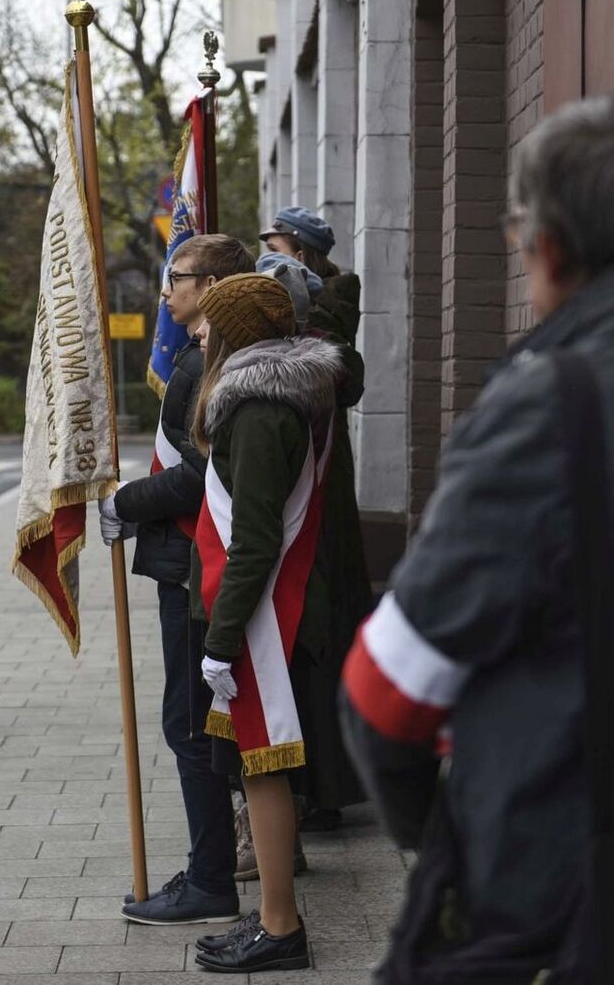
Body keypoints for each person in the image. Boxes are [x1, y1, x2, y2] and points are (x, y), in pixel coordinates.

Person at [340, 96, 614, 980]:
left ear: (550, 247)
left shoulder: (550, 408)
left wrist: (457, 838)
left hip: (557, 891)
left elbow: (385, 689)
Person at [99, 233, 255, 927]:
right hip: (187, 561)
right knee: (194, 722)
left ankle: (211, 882)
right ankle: (208, 866)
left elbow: (200, 475)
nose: (165, 291)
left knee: (189, 725)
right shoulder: (203, 358)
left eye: (178, 277)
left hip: (196, 567)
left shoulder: (205, 364)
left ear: (213, 286)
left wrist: (125, 503)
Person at [190, 274, 342, 973]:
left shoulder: (256, 411)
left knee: (263, 768)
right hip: (265, 615)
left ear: (235, 335)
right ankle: (275, 914)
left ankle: (281, 927)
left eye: (209, 324)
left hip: (260, 622)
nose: (198, 333)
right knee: (256, 769)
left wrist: (220, 640)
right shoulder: (277, 402)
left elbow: (253, 541)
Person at [258, 210, 372, 833]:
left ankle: (324, 785)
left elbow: (341, 379)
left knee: (321, 635)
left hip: (320, 501)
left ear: (300, 253)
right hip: (301, 491)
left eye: (276, 248)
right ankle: (308, 783)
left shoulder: (330, 312)